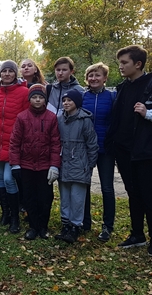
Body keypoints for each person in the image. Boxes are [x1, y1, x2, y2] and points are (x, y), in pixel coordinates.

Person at [105, 45, 152, 254]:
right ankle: (137, 234)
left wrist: (148, 113)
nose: (121, 66)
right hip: (123, 150)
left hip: (144, 151)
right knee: (132, 192)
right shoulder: (122, 87)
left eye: (124, 63)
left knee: (148, 194)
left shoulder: (150, 84)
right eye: (120, 63)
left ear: (138, 64)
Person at [9, 84, 61, 240]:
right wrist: (15, 163)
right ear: (30, 99)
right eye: (34, 97)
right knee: (29, 197)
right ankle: (33, 226)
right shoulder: (22, 117)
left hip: (45, 165)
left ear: (44, 99)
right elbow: (15, 142)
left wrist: (54, 165)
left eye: (40, 97)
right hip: (26, 165)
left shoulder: (51, 117)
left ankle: (43, 226)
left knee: (45, 197)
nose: (37, 100)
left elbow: (55, 143)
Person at [0, 60, 29, 234]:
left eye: (10, 71)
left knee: (10, 179)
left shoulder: (24, 92)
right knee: (1, 179)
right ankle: (5, 213)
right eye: (4, 71)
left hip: (14, 143)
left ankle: (14, 218)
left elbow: (27, 118)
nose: (7, 74)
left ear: (15, 74)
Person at [54, 89, 98, 244]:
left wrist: (89, 165)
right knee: (65, 197)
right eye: (64, 100)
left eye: (69, 101)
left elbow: (92, 144)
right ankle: (65, 224)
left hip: (80, 164)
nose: (66, 103)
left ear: (77, 103)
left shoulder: (84, 120)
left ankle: (75, 226)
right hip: (64, 163)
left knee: (77, 198)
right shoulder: (59, 119)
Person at [82, 62, 116, 242]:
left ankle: (107, 226)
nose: (94, 78)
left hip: (105, 149)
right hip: (85, 149)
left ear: (104, 78)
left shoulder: (112, 96)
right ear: (86, 78)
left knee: (107, 188)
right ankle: (85, 222)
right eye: (90, 75)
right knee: (84, 185)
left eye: (97, 75)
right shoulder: (81, 96)